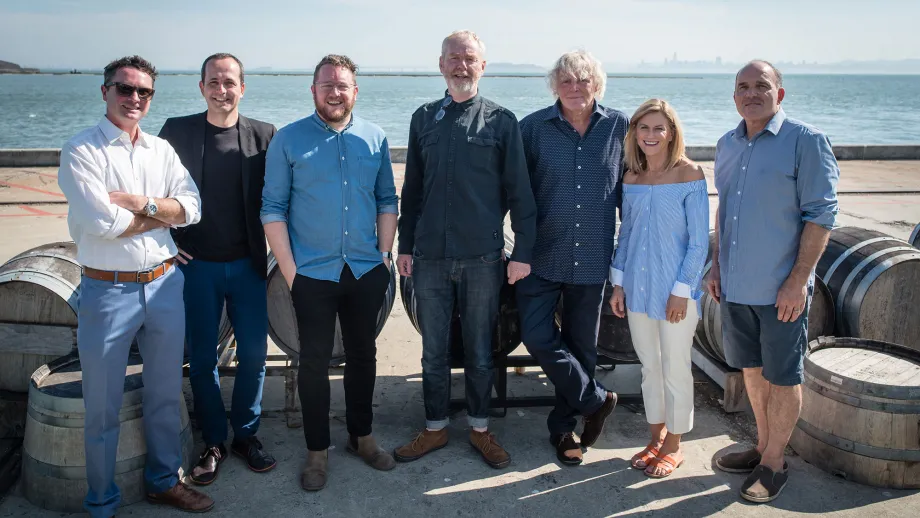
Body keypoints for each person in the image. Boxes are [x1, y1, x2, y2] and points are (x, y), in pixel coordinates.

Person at [57, 55, 211, 516]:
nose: (135, 99)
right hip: (107, 291)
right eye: (125, 89)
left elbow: (193, 207)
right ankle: (102, 501)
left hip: (164, 286)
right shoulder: (81, 150)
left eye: (144, 92)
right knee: (101, 408)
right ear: (105, 91)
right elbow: (98, 220)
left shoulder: (161, 151)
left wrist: (139, 205)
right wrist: (159, 215)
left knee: (165, 394)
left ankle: (164, 482)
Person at [393, 30, 537, 469]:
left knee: (479, 350)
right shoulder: (423, 119)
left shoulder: (501, 122)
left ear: (482, 67)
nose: (461, 65)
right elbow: (412, 190)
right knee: (433, 350)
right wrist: (405, 245)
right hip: (431, 258)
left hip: (483, 259)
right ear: (441, 65)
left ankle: (479, 429)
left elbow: (520, 194)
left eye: (469, 58)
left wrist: (524, 252)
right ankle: (434, 428)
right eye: (453, 58)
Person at [261, 54, 399, 491]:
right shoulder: (288, 139)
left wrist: (384, 254)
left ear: (354, 91)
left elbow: (386, 200)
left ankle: (363, 437)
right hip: (312, 275)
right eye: (326, 85)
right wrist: (290, 271)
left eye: (342, 85)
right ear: (313, 90)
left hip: (364, 270)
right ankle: (317, 450)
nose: (334, 92)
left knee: (364, 356)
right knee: (313, 362)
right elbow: (273, 208)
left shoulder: (374, 138)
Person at [708, 60, 839, 503]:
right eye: (742, 87)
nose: (751, 93)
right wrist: (717, 268)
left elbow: (821, 215)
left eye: (761, 86)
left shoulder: (806, 141)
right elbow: (725, 214)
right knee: (751, 369)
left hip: (781, 289)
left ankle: (775, 464)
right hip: (736, 286)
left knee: (783, 376)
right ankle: (762, 446)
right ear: (734, 96)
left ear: (779, 94)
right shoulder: (727, 144)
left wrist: (798, 280)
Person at [158, 52, 278, 485]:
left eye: (229, 82)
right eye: (214, 81)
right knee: (202, 359)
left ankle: (246, 435)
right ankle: (213, 440)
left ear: (242, 87)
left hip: (247, 266)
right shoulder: (176, 132)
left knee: (254, 356)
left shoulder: (265, 135)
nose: (221, 89)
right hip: (197, 267)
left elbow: (282, 198)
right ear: (202, 86)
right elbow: (151, 190)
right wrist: (168, 241)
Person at [516, 50, 626, 466]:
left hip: (594, 258)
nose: (575, 88)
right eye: (566, 80)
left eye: (584, 80)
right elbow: (515, 192)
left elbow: (631, 193)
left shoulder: (619, 126)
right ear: (554, 86)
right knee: (536, 335)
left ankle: (564, 430)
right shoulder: (532, 129)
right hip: (540, 256)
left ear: (596, 84)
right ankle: (595, 400)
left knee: (583, 349)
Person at [608, 99, 708, 478]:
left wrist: (682, 291)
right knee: (649, 367)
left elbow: (699, 243)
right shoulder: (631, 179)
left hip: (675, 292)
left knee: (675, 367)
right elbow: (627, 234)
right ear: (634, 133)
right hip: (637, 287)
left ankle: (675, 445)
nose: (651, 135)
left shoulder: (690, 175)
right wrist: (618, 285)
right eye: (643, 128)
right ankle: (655, 437)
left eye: (658, 128)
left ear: (671, 133)